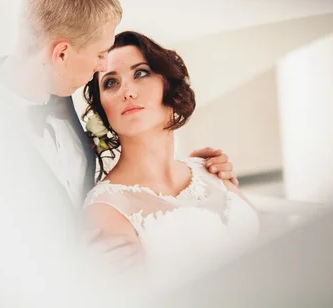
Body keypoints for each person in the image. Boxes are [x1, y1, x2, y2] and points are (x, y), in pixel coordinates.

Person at [0, 0, 237, 300]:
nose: (102, 66)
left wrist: (194, 181)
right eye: (100, 54)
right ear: (62, 53)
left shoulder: (66, 103)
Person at [82, 31, 260, 291]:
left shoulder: (210, 169)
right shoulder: (107, 209)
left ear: (169, 84)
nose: (127, 92)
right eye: (110, 83)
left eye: (140, 73)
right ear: (102, 109)